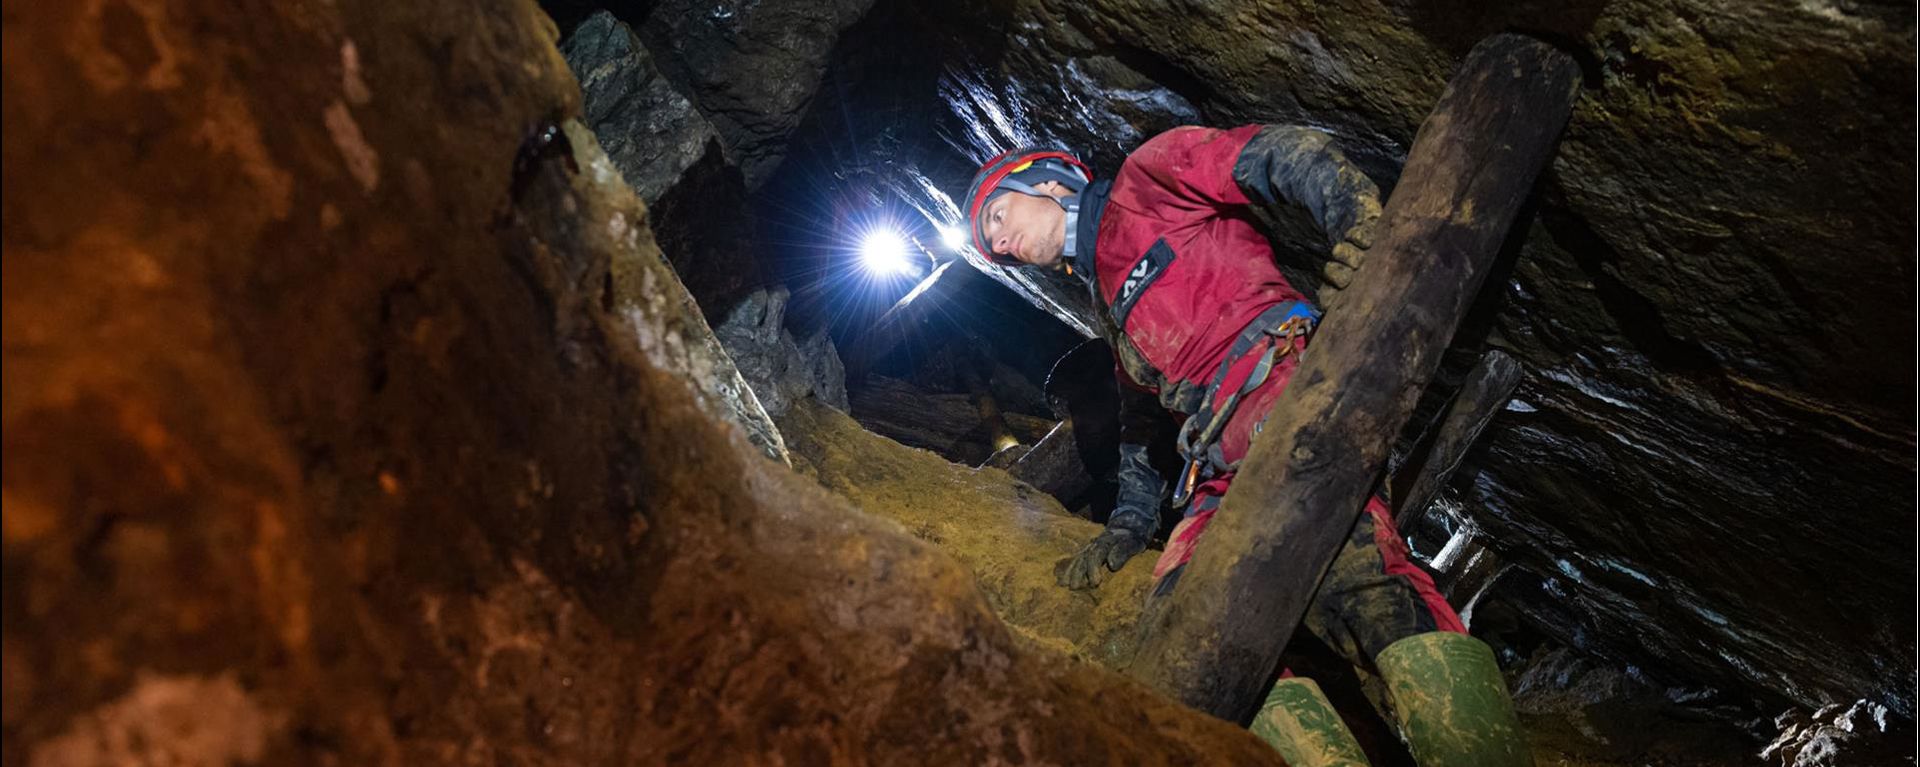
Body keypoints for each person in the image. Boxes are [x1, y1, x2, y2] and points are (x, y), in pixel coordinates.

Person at [962, 126, 1531, 766]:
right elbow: (1140, 421)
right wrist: (1129, 522)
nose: (1000, 244)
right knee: (1186, 622)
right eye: (993, 249)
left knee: (1359, 581)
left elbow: (1277, 154)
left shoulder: (1146, 180)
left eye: (997, 217)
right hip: (1218, 462)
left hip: (1289, 392)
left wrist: (1362, 231)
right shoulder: (1111, 307)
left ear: (1046, 180)